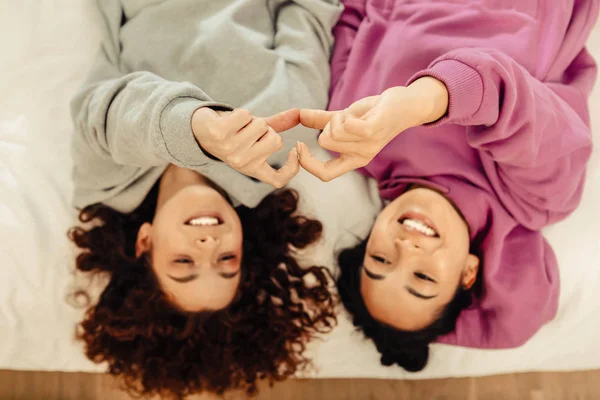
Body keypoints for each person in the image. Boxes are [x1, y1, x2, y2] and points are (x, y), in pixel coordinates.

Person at [297, 0, 599, 371]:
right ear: (469, 273)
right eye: (423, 277)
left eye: (380, 260)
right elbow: (507, 94)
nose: (405, 249)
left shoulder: (353, 140)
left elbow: (355, 16)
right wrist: (418, 103)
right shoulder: (534, 197)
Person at [68, 0, 342, 397]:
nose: (208, 246)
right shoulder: (279, 147)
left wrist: (195, 129)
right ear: (244, 247)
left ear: (145, 243)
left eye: (184, 262)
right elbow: (311, 10)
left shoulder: (107, 185)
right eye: (226, 261)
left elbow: (105, 110)